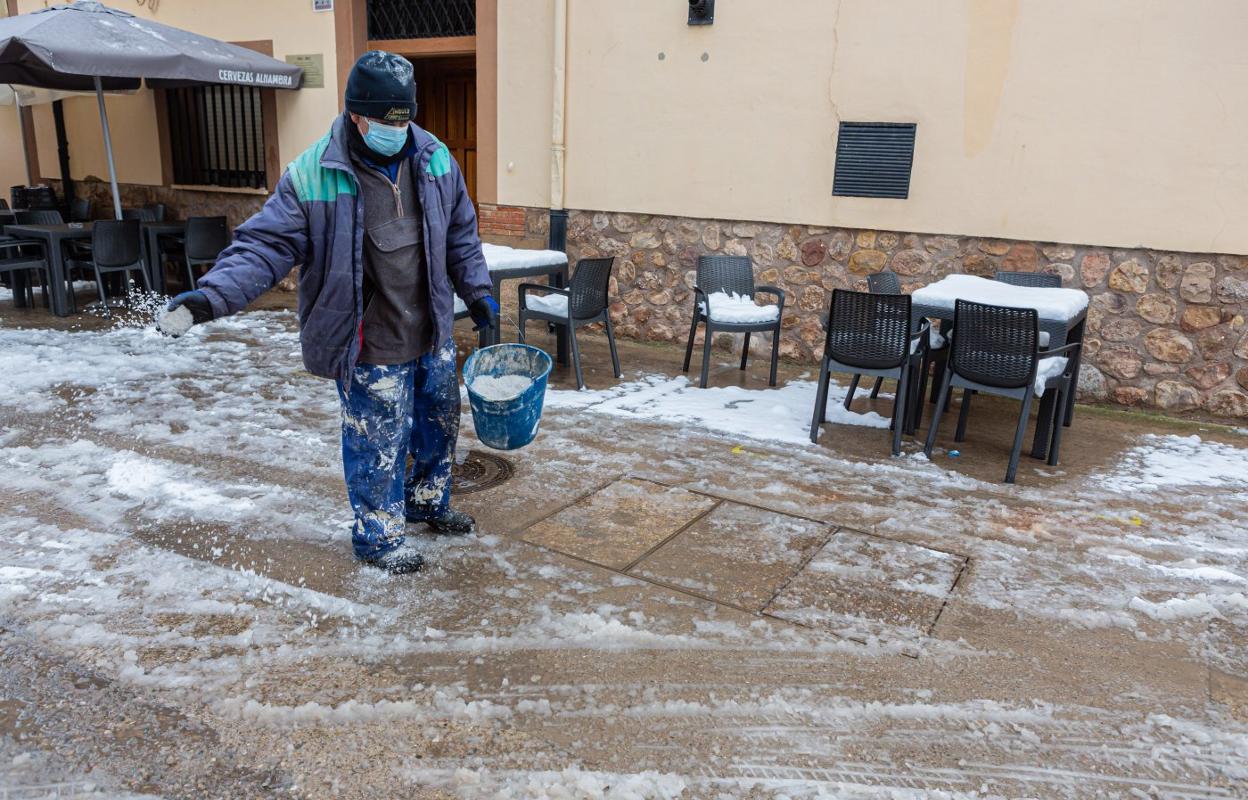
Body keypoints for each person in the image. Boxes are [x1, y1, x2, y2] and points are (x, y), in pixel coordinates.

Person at [158, 51, 499, 575]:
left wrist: (477, 293)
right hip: (368, 337)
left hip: (431, 328)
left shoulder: (433, 159)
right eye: (386, 121)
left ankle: (428, 502)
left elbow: (460, 234)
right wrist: (211, 296)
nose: (398, 130)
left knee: (439, 425)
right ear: (356, 116)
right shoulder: (314, 174)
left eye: (404, 118)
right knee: (376, 438)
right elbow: (264, 246)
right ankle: (378, 537)